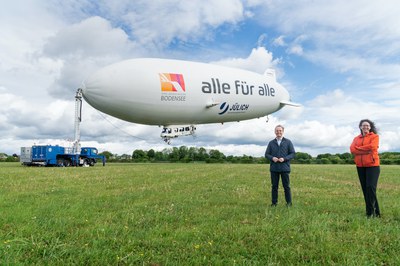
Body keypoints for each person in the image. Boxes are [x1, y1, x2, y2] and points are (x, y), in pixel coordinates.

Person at [350, 119, 381, 218]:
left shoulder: (375, 137)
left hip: (373, 166)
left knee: (370, 188)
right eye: (363, 125)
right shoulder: (356, 138)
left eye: (367, 125)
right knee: (365, 189)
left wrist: (358, 149)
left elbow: (373, 147)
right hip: (360, 166)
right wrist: (365, 150)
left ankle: (371, 213)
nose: (365, 127)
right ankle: (375, 212)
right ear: (360, 127)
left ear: (370, 127)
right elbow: (352, 149)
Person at [265, 125, 296, 207]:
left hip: (284, 168)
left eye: (280, 130)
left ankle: (289, 203)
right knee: (274, 187)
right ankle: (274, 203)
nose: (278, 132)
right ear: (275, 132)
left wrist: (285, 159)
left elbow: (292, 153)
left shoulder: (288, 142)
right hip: (274, 168)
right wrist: (272, 158)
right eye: (277, 131)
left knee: (286, 187)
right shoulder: (271, 143)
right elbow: (267, 154)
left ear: (283, 131)